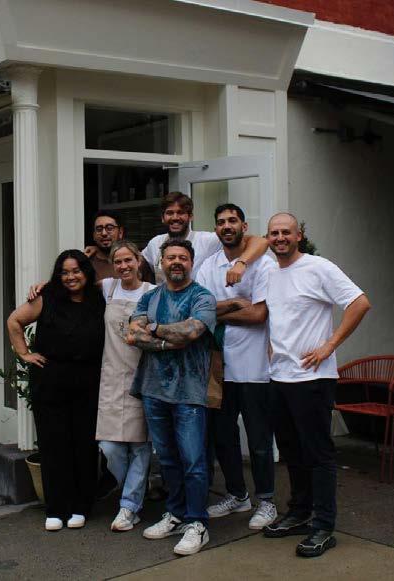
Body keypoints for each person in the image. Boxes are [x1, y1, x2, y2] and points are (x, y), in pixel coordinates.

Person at [261, 212, 371, 558]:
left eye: (286, 232)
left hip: (313, 379)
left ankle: (323, 526)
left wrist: (329, 345)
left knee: (318, 453)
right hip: (279, 377)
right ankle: (299, 512)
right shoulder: (270, 272)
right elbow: (279, 317)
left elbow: (360, 303)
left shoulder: (318, 267)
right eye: (274, 233)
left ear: (299, 236)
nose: (280, 238)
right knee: (292, 451)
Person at [127, 239, 216, 556]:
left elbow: (192, 332)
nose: (176, 262)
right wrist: (167, 340)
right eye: (170, 257)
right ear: (161, 263)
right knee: (167, 460)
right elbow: (132, 334)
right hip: (153, 390)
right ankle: (176, 514)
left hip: (189, 392)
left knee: (193, 461)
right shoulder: (149, 297)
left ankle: (197, 523)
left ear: (192, 262)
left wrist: (152, 329)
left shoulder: (202, 297)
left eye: (183, 257)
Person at [6, 250, 105, 532]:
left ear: (86, 272)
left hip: (88, 381)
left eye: (76, 271)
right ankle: (56, 508)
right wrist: (24, 354)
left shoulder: (99, 298)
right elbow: (14, 321)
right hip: (50, 382)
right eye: (64, 272)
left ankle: (81, 506)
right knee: (53, 445)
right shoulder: (46, 297)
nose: (71, 277)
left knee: (84, 445)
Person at [196, 204, 278, 530]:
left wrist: (219, 311)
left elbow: (259, 314)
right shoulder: (209, 266)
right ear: (216, 229)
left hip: (255, 368)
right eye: (221, 222)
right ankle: (237, 495)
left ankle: (267, 501)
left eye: (232, 221)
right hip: (219, 367)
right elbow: (200, 310)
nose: (226, 226)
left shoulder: (263, 264)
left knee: (258, 440)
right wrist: (235, 305)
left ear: (244, 226)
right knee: (223, 437)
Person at [96, 240, 156, 532]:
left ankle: (129, 507)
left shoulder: (152, 292)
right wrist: (43, 286)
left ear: (138, 260)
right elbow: (70, 284)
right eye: (117, 262)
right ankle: (133, 490)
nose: (123, 266)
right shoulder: (107, 288)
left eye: (128, 260)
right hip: (111, 377)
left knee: (140, 447)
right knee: (109, 447)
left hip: (142, 377)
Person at [141, 192, 268, 285]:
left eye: (181, 212)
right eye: (170, 213)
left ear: (191, 216)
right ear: (163, 218)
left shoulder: (207, 240)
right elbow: (140, 265)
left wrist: (241, 263)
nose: (175, 217)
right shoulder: (155, 243)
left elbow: (261, 241)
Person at [89, 210, 155, 283]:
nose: (104, 233)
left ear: (120, 232)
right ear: (94, 235)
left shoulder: (137, 260)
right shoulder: (88, 262)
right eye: (99, 229)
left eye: (109, 228)